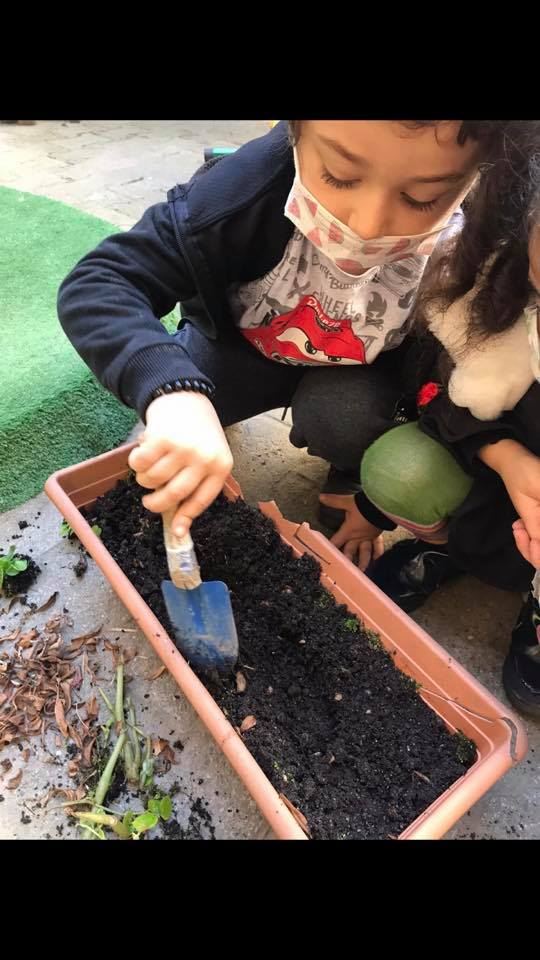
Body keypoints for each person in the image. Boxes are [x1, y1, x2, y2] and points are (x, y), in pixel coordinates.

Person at [57, 120, 539, 713]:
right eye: (339, 175)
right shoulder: (239, 196)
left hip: (357, 373)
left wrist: (375, 503)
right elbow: (101, 282)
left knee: (348, 419)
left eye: (422, 198)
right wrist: (174, 394)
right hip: (242, 352)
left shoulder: (476, 240)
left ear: (477, 175)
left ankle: (346, 467)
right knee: (187, 389)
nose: (368, 223)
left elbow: (450, 371)